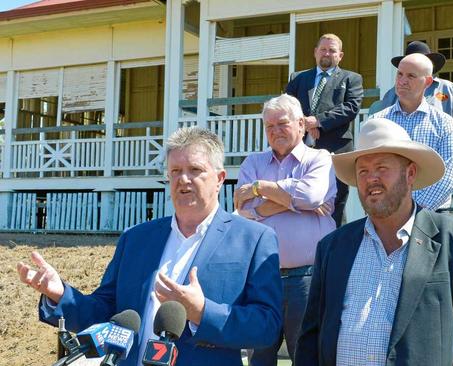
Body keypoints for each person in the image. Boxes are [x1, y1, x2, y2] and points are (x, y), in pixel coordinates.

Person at [16, 127, 283, 366]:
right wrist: (61, 294)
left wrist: (202, 312)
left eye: (195, 170)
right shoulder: (136, 239)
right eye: (175, 171)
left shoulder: (254, 239)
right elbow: (107, 313)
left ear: (220, 178)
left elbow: (267, 326)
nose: (184, 180)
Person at [295, 117, 453, 366]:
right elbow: (310, 340)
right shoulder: (332, 247)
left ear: (410, 173)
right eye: (363, 171)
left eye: (382, 168)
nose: (371, 179)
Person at [234, 94, 337, 365]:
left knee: (306, 357)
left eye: (282, 124)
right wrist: (296, 201)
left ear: (301, 124)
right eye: (269, 126)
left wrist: (261, 188)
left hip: (308, 278)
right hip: (261, 280)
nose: (275, 131)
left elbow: (312, 195)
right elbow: (243, 212)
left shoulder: (320, 158)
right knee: (259, 358)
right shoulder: (252, 163)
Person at [285, 33, 363, 227]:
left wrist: (318, 121)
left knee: (334, 202)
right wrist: (305, 126)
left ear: (340, 55)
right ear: (315, 52)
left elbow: (351, 107)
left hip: (336, 150)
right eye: (323, 49)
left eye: (332, 50)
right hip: (301, 151)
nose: (327, 53)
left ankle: (335, 248)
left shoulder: (351, 79)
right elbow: (288, 107)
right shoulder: (298, 78)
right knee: (299, 198)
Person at [371, 53, 453, 212]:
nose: (402, 81)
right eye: (399, 74)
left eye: (411, 76)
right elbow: (369, 171)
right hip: (385, 215)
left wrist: (409, 211)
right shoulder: (377, 122)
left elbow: (447, 178)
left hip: (432, 216)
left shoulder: (444, 123)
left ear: (427, 82)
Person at [378, 40, 453, 141]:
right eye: (400, 74)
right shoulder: (392, 94)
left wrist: (449, 143)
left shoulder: (447, 88)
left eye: (411, 75)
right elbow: (381, 126)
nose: (404, 80)